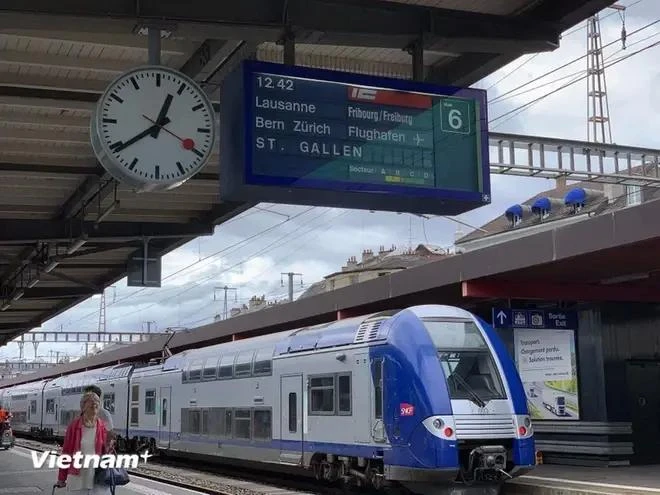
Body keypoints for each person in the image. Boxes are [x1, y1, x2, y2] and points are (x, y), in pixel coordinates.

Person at [55, 391, 110, 493]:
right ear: (83, 406)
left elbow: (104, 451)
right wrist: (61, 478)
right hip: (77, 477)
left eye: (97, 401)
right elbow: (66, 452)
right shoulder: (74, 426)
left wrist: (109, 446)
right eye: (91, 402)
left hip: (96, 476)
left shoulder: (101, 426)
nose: (95, 403)